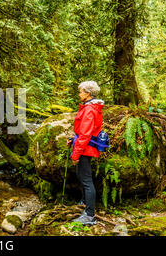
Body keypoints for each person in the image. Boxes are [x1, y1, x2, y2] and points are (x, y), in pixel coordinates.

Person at [67, 81, 104, 225]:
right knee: (82, 176)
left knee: (86, 180)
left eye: (81, 91)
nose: (79, 94)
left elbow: (85, 134)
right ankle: (84, 203)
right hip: (85, 146)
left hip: (85, 148)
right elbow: (82, 132)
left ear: (88, 94)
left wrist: (75, 154)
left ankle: (89, 216)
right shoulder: (90, 107)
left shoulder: (89, 109)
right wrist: (73, 139)